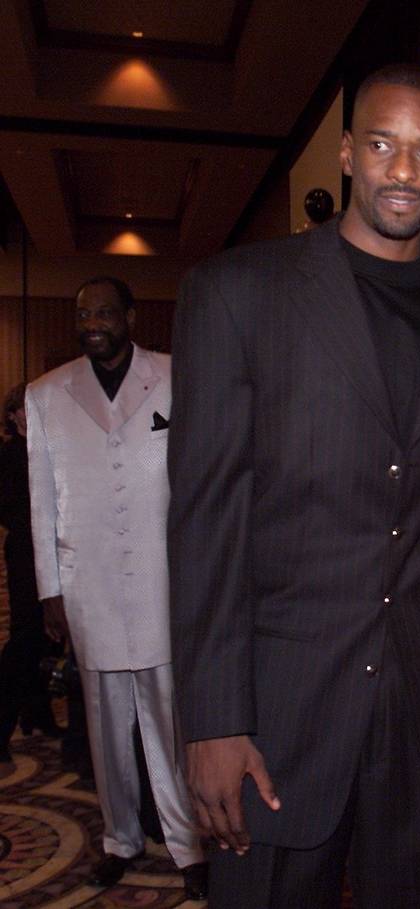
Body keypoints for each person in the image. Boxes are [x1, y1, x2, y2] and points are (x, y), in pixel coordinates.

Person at [168, 63, 420, 908]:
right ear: (348, 154)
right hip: (279, 715)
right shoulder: (237, 294)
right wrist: (212, 718)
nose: (404, 169)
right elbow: (206, 523)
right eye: (383, 144)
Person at [24, 277, 207, 898]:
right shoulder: (46, 394)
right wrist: (50, 589)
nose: (93, 321)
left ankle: (186, 843)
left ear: (129, 316)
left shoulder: (176, 376)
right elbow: (40, 500)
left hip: (160, 577)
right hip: (88, 583)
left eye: (104, 311)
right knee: (104, 726)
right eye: (83, 313)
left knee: (167, 717)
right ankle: (119, 837)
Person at [0, 383, 63, 771]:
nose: (30, 413)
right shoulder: (8, 456)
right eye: (23, 409)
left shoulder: (49, 450)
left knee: (48, 637)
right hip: (26, 552)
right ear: (12, 416)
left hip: (55, 550)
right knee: (25, 638)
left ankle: (38, 714)